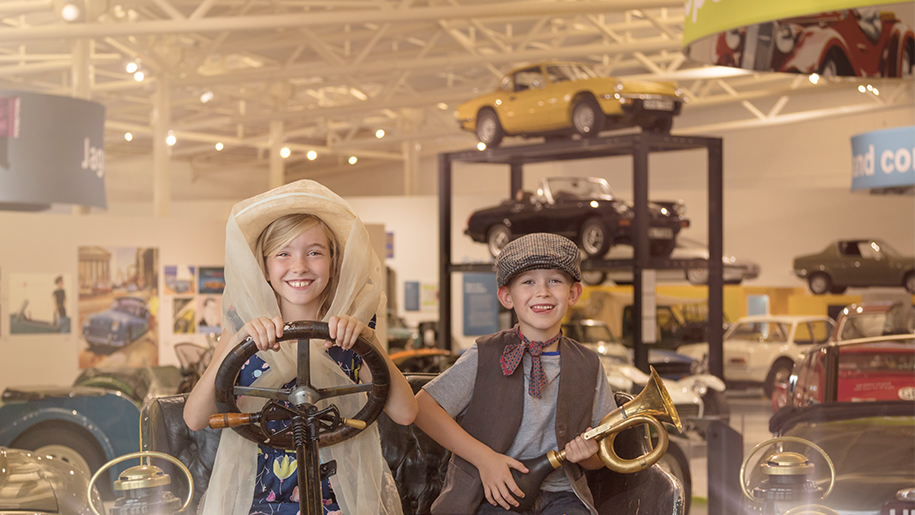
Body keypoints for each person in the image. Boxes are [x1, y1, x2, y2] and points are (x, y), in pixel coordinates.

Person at [184, 179, 417, 515]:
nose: (300, 266)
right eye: (283, 253)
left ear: (334, 262)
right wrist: (238, 341)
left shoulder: (356, 330)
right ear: (264, 267)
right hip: (257, 498)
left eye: (314, 252)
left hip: (344, 500)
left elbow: (406, 413)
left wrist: (366, 340)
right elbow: (194, 418)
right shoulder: (240, 329)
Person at [414, 233, 616, 515]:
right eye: (528, 282)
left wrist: (589, 456)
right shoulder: (485, 353)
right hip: (491, 492)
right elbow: (423, 408)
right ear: (507, 297)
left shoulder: (589, 364)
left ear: (573, 293)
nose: (543, 291)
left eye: (555, 280)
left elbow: (601, 457)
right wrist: (485, 460)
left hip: (562, 496)